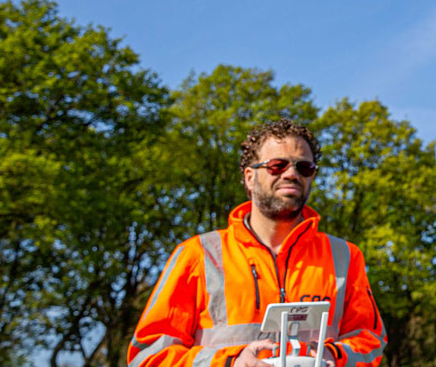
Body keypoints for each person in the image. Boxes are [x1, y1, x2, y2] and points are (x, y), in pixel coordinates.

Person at [128, 119, 385, 367]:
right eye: (277, 165)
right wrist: (228, 361)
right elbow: (149, 356)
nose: (292, 174)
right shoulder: (198, 255)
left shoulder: (344, 256)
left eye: (304, 168)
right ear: (250, 177)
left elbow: (370, 341)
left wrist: (334, 354)